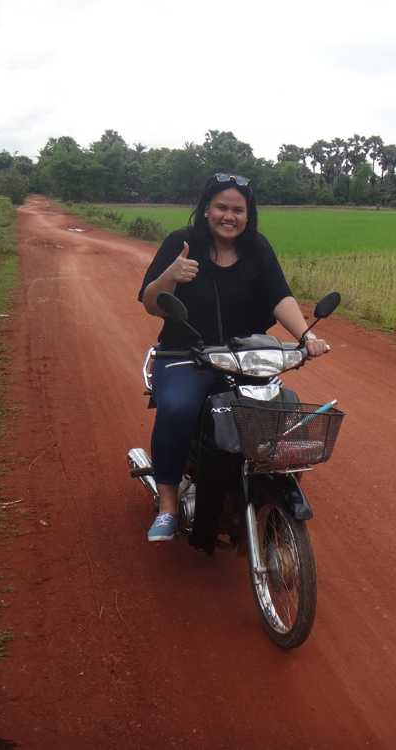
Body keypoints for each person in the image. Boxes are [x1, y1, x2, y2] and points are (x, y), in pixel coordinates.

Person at [138, 173, 330, 542]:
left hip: (246, 355)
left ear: (248, 214)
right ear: (207, 209)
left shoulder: (257, 247)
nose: (230, 216)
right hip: (186, 354)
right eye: (222, 207)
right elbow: (150, 302)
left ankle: (260, 487)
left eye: (238, 210)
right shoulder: (182, 242)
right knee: (178, 408)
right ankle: (168, 505)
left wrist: (307, 337)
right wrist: (170, 276)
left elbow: (280, 296)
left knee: (273, 413)